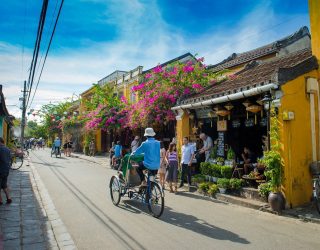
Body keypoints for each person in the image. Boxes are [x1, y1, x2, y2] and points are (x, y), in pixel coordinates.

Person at [0, 137, 12, 205]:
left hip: (0, 170)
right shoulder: (7, 149)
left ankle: (0, 201)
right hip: (6, 170)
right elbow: (10, 159)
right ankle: (9, 198)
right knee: (4, 185)